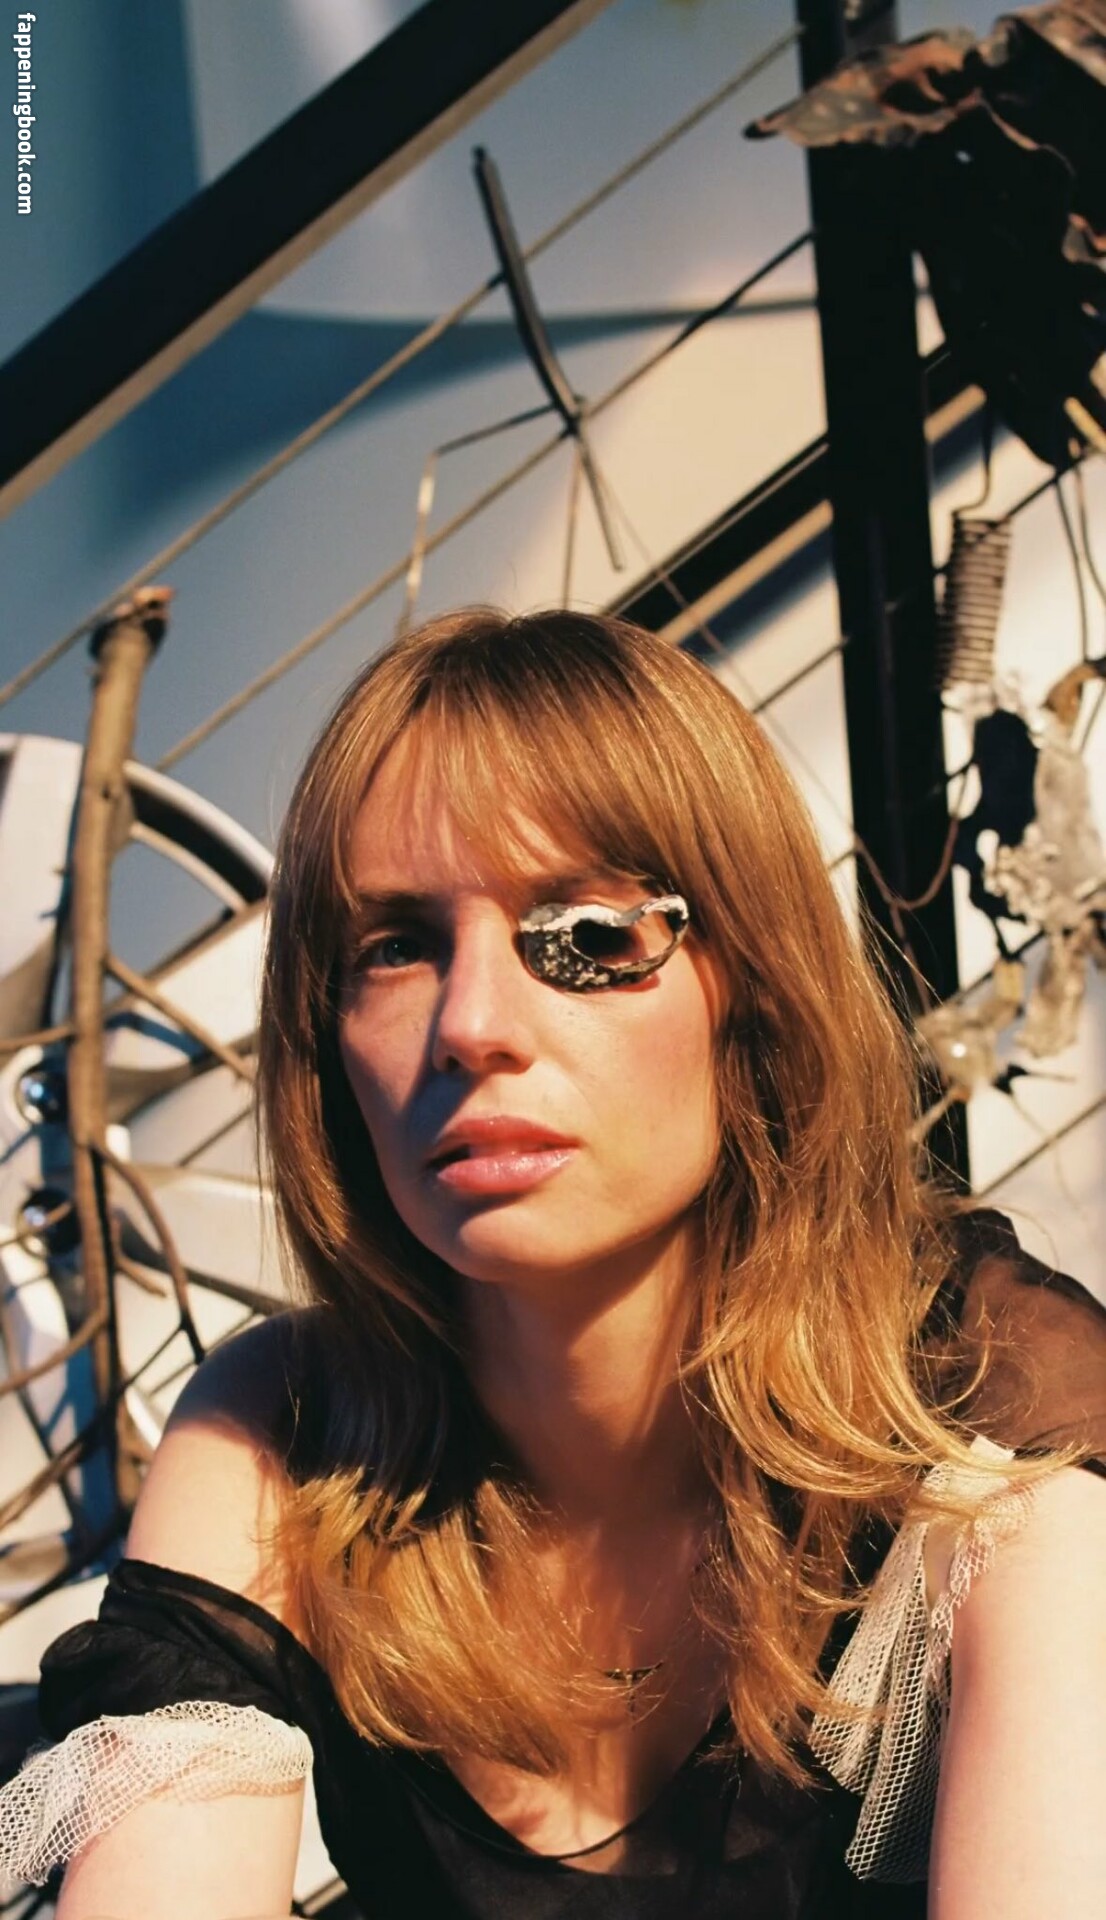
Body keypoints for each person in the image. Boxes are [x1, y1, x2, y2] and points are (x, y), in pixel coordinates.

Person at [1, 609, 1103, 1919]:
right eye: (394, 946)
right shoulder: (288, 1433)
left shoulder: (984, 1402)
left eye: (586, 933)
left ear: (751, 989)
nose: (470, 1024)